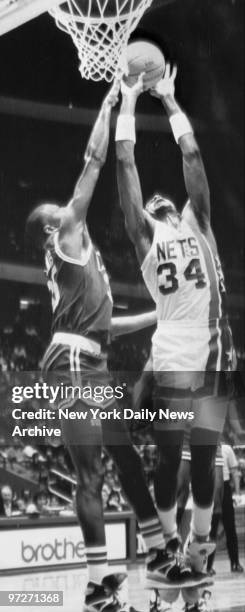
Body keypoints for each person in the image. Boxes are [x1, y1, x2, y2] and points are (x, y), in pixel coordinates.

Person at [25, 81, 171, 611]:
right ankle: (95, 582)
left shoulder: (82, 263)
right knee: (92, 472)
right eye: (57, 209)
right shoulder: (66, 234)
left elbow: (108, 326)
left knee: (124, 458)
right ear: (49, 231)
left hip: (90, 358)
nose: (67, 207)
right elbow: (92, 159)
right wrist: (111, 103)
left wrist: (159, 315)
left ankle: (157, 546)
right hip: (71, 365)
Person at [115, 65, 235, 587]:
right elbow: (132, 161)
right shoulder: (165, 232)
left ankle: (197, 548)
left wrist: (154, 99)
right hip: (185, 350)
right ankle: (169, 547)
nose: (165, 201)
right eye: (157, 202)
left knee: (198, 456)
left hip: (204, 348)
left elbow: (179, 157)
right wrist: (156, 101)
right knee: (177, 459)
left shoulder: (197, 222)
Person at [207, 443, 244, 574]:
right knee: (211, 529)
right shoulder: (203, 447)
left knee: (230, 527)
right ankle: (208, 566)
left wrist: (238, 493)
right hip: (210, 487)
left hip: (225, 488)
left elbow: (234, 471)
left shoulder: (227, 449)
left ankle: (235, 563)